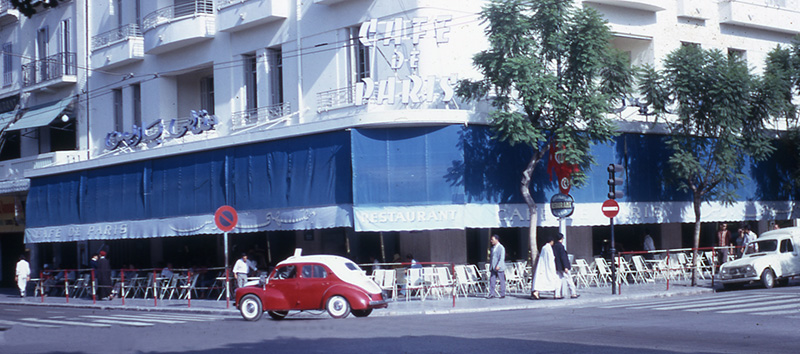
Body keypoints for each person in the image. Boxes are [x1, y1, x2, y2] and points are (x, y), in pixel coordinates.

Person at [531, 235, 560, 300]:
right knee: (552, 280)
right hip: (547, 267)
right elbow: (550, 258)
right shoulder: (548, 248)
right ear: (551, 241)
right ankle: (556, 294)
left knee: (540, 280)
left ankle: (536, 291)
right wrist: (552, 268)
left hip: (542, 266)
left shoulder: (544, 247)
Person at [553, 233, 578, 299]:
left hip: (558, 266)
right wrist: (566, 267)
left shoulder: (554, 246)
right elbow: (563, 257)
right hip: (563, 266)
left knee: (558, 280)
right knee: (569, 279)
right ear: (561, 239)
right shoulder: (561, 247)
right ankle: (573, 293)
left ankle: (557, 294)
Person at [487, 235, 506, 299]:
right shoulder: (492, 248)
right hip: (493, 266)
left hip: (499, 267)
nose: (491, 241)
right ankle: (492, 293)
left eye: (492, 239)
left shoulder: (501, 248)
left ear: (497, 240)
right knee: (492, 280)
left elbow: (502, 258)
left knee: (501, 280)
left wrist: (499, 265)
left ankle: (502, 293)